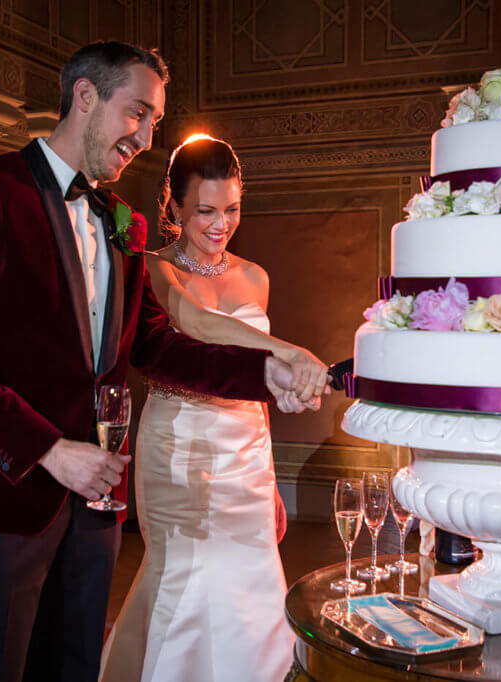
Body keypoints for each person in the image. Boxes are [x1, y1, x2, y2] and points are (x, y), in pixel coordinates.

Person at [0, 42, 319, 682]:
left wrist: (265, 374)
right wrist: (48, 449)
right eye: (138, 113)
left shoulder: (123, 223)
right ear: (86, 96)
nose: (146, 136)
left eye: (154, 121)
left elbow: (158, 347)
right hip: (0, 500)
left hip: (94, 509)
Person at [98, 135, 328, 682]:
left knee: (253, 582)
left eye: (232, 209)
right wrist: (289, 349)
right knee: (183, 574)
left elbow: (250, 380)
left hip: (247, 450)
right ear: (174, 206)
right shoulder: (155, 269)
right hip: (177, 443)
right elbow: (197, 326)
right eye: (204, 210)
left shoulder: (256, 277)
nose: (220, 224)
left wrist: (269, 478)